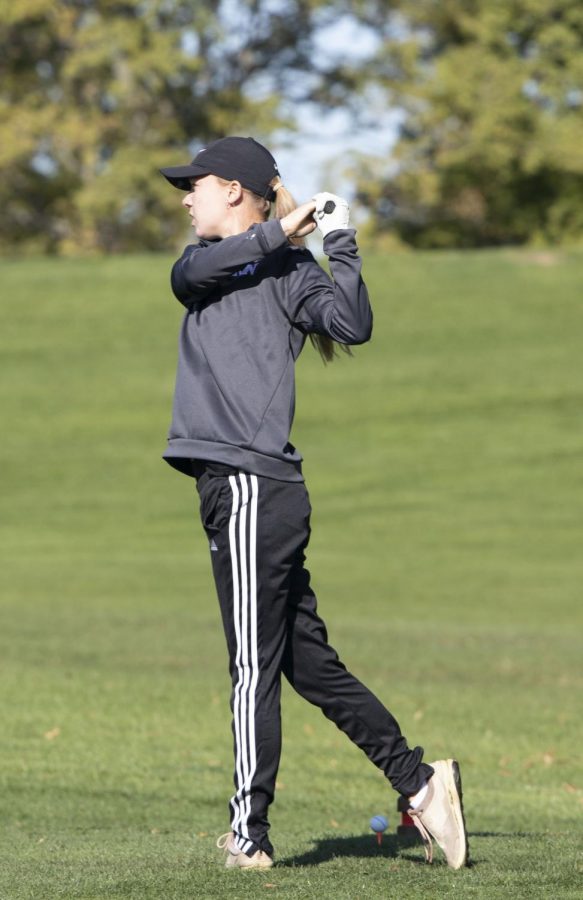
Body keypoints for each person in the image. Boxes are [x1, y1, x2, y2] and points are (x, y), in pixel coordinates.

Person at [159, 136, 468, 870]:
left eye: (194, 185)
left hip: (250, 485)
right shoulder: (202, 264)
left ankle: (248, 833)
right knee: (308, 665)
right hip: (253, 489)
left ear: (234, 188)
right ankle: (420, 784)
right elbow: (200, 268)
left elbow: (352, 324)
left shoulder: (291, 269)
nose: (184, 196)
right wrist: (282, 232)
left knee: (250, 670)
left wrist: (339, 241)